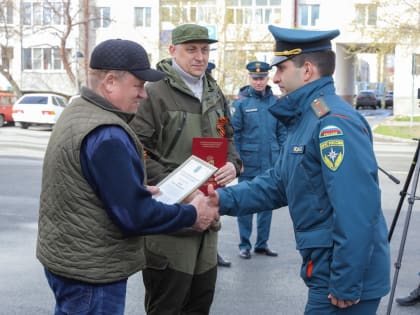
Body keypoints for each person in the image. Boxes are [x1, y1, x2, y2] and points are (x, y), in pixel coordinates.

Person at [207, 25, 391, 315]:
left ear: (306, 70)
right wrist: (222, 200)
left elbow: (356, 209)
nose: (275, 77)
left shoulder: (333, 124)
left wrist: (345, 282)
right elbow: (279, 183)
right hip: (325, 270)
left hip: (341, 281)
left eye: (281, 68)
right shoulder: (306, 117)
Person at [36, 39, 218, 315]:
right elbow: (135, 216)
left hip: (70, 260)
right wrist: (192, 215)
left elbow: (84, 183)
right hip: (93, 273)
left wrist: (128, 188)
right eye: (138, 85)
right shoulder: (107, 133)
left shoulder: (78, 111)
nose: (144, 95)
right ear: (110, 81)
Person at [130, 24, 242, 314]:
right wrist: (181, 191)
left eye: (204, 50)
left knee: (199, 303)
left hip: (208, 219)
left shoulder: (213, 90)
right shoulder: (154, 93)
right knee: (168, 305)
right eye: (191, 49)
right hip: (170, 222)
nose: (199, 57)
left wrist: (233, 164)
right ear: (172, 51)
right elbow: (136, 150)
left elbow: (226, 137)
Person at [230, 61, 285, 259]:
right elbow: (234, 135)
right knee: (245, 204)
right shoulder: (241, 103)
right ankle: (244, 244)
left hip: (271, 162)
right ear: (249, 78)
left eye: (262, 78)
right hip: (248, 162)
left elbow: (282, 133)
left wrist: (282, 158)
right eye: (255, 78)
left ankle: (262, 244)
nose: (259, 82)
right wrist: (237, 161)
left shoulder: (276, 103)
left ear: (267, 78)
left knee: (267, 204)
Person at [206, 61, 232, 268]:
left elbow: (227, 133)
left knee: (213, 212)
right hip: (179, 182)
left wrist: (234, 163)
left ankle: (212, 252)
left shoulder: (216, 94)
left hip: (213, 170)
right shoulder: (159, 92)